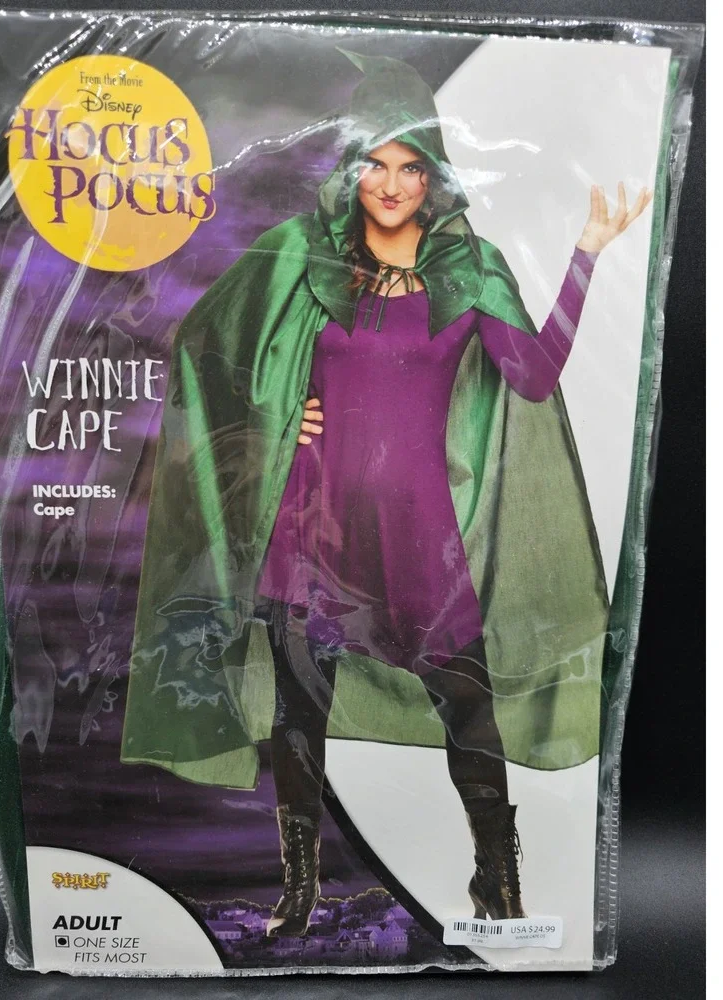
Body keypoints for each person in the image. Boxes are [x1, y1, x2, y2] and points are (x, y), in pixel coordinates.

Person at [121, 52, 650, 938]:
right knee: (298, 717)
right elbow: (206, 345)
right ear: (351, 167)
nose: (392, 184)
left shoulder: (470, 267)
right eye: (376, 163)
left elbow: (531, 376)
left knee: (472, 714)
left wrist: (585, 258)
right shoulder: (304, 256)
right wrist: (277, 412)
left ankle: (498, 886)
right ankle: (299, 893)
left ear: (433, 174)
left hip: (419, 541)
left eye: (411, 166)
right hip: (312, 530)